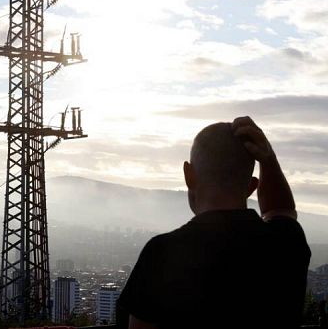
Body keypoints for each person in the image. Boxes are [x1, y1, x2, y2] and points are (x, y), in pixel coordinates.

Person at [117, 116, 311, 329]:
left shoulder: (162, 254)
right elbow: (281, 209)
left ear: (188, 175)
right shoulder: (286, 243)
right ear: (252, 187)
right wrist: (268, 158)